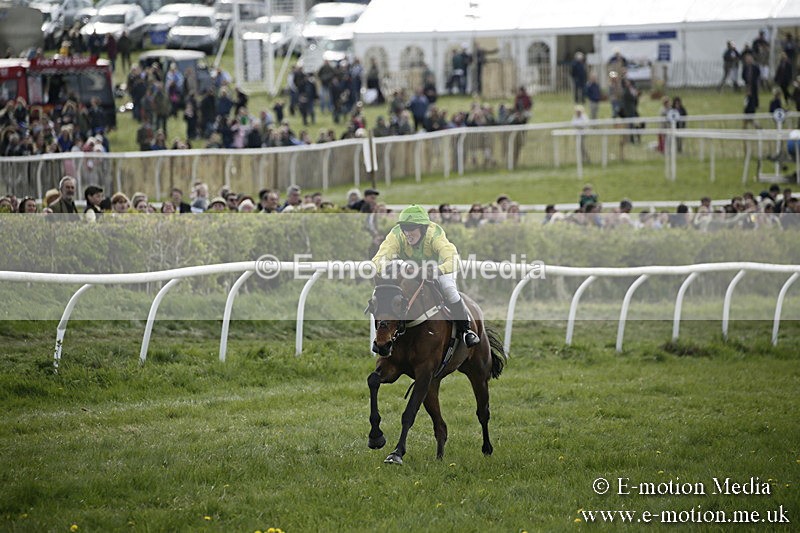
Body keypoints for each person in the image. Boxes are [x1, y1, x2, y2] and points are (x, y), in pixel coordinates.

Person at [371, 204, 480, 348]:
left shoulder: (434, 235)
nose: (407, 233)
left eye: (411, 228)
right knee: (383, 292)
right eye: (404, 228)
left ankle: (466, 330)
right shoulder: (396, 235)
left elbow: (453, 261)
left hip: (439, 267)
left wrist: (434, 271)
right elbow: (378, 260)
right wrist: (392, 266)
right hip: (411, 267)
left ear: (423, 228)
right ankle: (384, 334)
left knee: (448, 289)